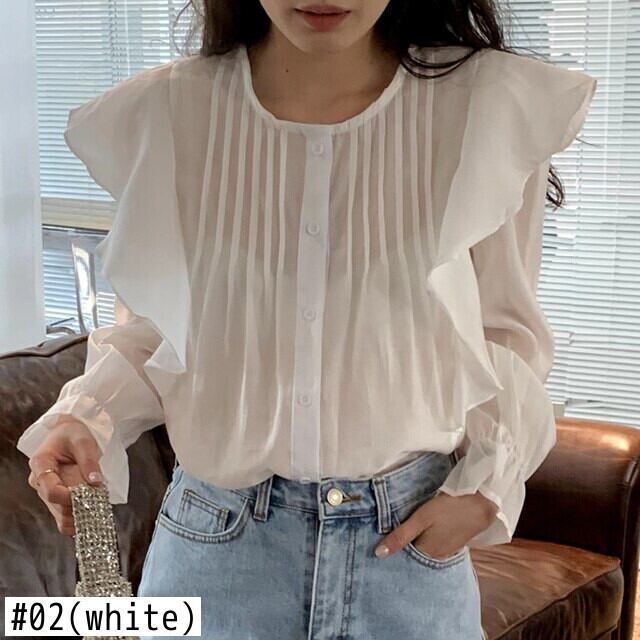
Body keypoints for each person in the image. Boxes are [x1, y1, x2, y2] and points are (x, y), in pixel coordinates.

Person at [16, 1, 597, 638]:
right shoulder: (169, 113)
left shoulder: (486, 109)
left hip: (405, 556)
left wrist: (487, 485)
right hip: (215, 555)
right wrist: (87, 418)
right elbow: (158, 332)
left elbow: (504, 333)